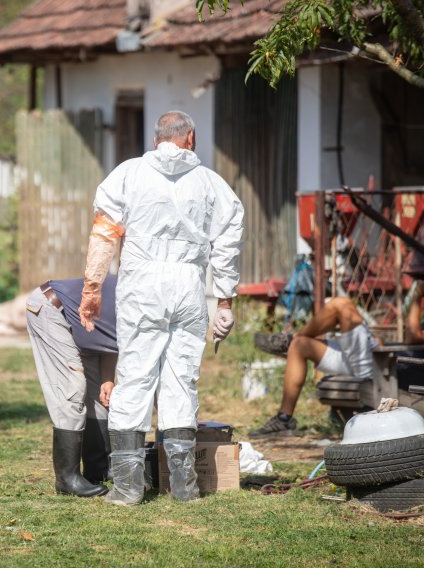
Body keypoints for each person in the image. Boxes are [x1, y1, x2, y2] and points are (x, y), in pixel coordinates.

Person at [78, 111, 244, 504]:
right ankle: (184, 488)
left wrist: (92, 288)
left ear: (157, 141)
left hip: (142, 285)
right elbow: (228, 244)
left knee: (135, 376)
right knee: (181, 380)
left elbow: (105, 234)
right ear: (190, 138)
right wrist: (224, 299)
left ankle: (127, 488)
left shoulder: (128, 174)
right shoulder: (212, 184)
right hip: (189, 286)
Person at [25, 275, 118, 497]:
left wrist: (108, 379)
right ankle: (67, 479)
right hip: (51, 308)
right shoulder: (137, 302)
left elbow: (113, 341)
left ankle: (98, 467)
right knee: (72, 387)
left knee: (99, 392)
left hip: (84, 324)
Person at [250, 297, 380, 437]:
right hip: (361, 358)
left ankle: (290, 339)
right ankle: (283, 419)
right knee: (299, 345)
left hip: (377, 363)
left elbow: (408, 337)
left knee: (341, 304)